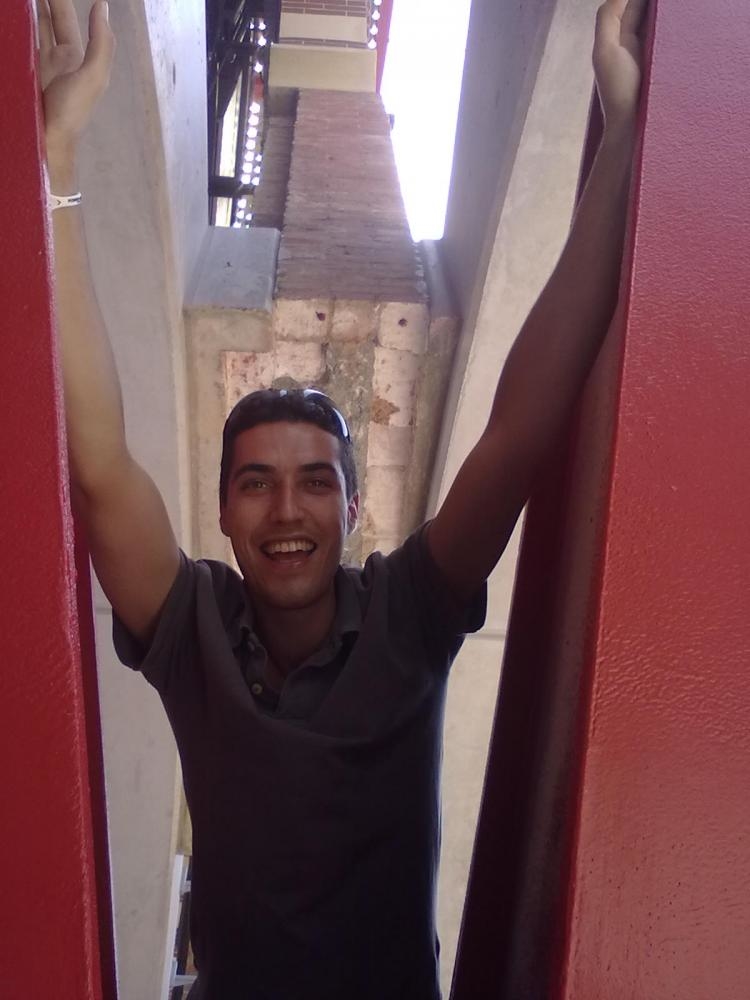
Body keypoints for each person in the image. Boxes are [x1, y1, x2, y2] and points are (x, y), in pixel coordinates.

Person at [40, 0, 648, 996]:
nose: (287, 510)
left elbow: (520, 433)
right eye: (256, 483)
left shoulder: (410, 612)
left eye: (316, 481)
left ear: (353, 510)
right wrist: (55, 159)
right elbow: (98, 459)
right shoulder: (193, 629)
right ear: (223, 515)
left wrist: (623, 141)